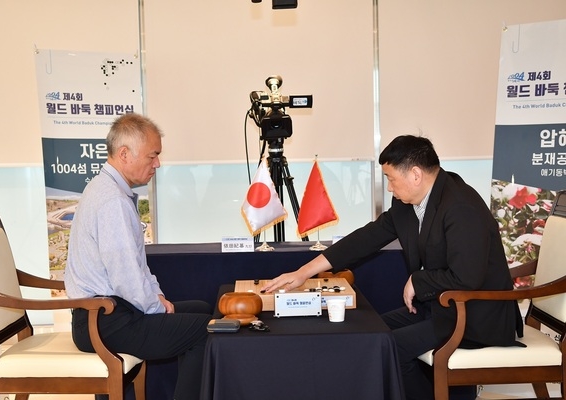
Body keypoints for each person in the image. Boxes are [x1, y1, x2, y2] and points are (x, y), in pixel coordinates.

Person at [262, 135, 523, 400]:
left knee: (389, 347)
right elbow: (365, 239)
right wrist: (302, 273)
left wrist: (418, 281)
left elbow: (467, 277)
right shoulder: (407, 203)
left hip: (476, 314)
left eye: (391, 178)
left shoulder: (461, 206)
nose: (389, 188)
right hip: (438, 308)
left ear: (416, 175)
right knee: (369, 332)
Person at [65, 113, 212, 400]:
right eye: (152, 156)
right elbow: (125, 278)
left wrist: (158, 300)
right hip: (103, 322)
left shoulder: (106, 188)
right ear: (124, 154)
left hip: (105, 314)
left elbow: (137, 267)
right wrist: (156, 308)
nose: (157, 164)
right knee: (205, 330)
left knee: (201, 308)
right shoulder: (113, 202)